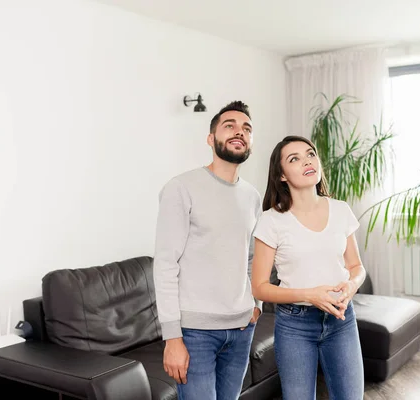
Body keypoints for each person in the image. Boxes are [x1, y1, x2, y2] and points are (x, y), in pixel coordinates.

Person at [153, 101, 262, 400]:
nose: (239, 132)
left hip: (242, 327)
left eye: (246, 128)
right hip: (195, 334)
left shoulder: (252, 196)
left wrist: (257, 304)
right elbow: (165, 264)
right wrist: (172, 336)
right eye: (230, 126)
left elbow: (252, 256)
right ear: (211, 138)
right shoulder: (181, 187)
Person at [251, 135, 366, 400]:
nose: (307, 161)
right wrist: (309, 294)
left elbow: (357, 266)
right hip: (295, 325)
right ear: (281, 175)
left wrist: (352, 284)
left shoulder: (340, 210)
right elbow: (260, 287)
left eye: (310, 154)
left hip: (341, 319)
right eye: (295, 159)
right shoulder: (271, 221)